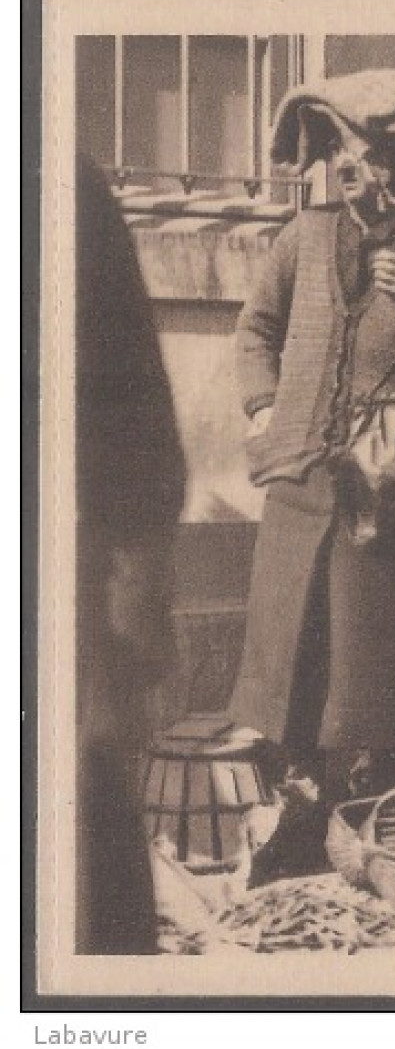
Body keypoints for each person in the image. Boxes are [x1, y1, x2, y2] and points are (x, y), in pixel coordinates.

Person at [226, 70, 395, 804]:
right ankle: (297, 802)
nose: (344, 163)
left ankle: (372, 803)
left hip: (389, 496)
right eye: (337, 147)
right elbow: (255, 330)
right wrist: (263, 409)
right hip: (302, 478)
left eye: (361, 151)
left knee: (373, 662)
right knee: (292, 652)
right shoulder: (302, 237)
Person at [76, 154, 188, 953]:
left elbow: (136, 417)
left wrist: (134, 592)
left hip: (72, 574)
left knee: (88, 810)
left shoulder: (58, 186)